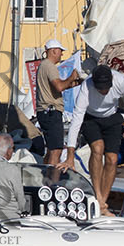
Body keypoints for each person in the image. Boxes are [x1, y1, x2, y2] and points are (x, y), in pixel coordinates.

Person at [60, 65, 124, 218]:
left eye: (106, 88)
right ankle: (97, 196)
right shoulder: (87, 86)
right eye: (100, 89)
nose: (103, 91)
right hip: (91, 119)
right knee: (97, 148)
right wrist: (70, 155)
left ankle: (102, 203)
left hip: (112, 117)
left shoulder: (120, 80)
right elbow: (77, 119)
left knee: (112, 158)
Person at [33, 39, 83, 179]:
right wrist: (71, 77)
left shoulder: (44, 66)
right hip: (51, 111)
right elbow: (59, 86)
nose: (61, 55)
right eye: (60, 51)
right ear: (53, 50)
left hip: (46, 111)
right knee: (56, 150)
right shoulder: (49, 66)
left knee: (50, 149)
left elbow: (58, 88)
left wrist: (75, 83)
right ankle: (51, 182)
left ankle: (44, 178)